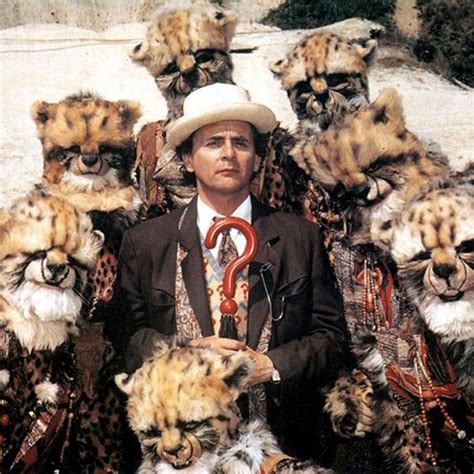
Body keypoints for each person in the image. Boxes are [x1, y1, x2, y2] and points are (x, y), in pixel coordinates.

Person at [106, 83, 349, 459]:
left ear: (257, 158)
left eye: (241, 143)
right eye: (214, 142)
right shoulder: (147, 242)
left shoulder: (300, 237)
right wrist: (186, 353)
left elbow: (332, 338)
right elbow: (124, 336)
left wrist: (272, 366)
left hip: (281, 446)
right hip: (181, 452)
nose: (229, 154)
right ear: (188, 159)